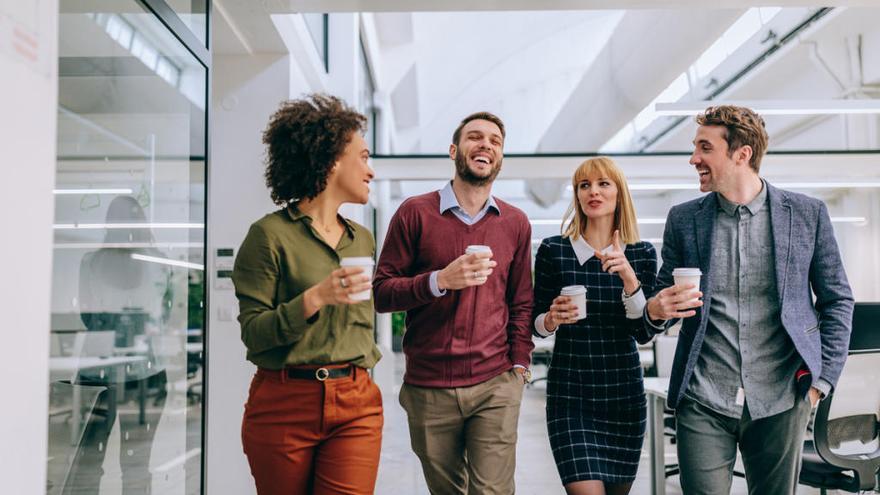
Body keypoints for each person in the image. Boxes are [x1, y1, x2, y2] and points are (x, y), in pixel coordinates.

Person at [644, 105, 854, 494]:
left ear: (742, 154)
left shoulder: (807, 215)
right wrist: (656, 311)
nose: (694, 159)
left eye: (705, 148)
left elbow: (837, 301)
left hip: (782, 397)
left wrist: (821, 383)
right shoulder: (684, 220)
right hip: (704, 396)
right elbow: (664, 300)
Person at [373, 111, 534, 495]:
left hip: (495, 382)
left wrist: (519, 365)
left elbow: (522, 302)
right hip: (429, 386)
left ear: (500, 158)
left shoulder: (515, 222)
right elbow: (381, 293)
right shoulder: (415, 212)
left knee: (492, 491)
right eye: (475, 137)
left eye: (495, 141)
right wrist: (439, 280)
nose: (486, 145)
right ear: (454, 150)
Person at [231, 94, 382, 495]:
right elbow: (255, 334)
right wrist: (314, 298)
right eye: (363, 158)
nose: (371, 171)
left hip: (356, 400)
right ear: (332, 160)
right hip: (284, 403)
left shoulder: (361, 239)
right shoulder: (268, 236)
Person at [532, 157, 658, 495]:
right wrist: (550, 319)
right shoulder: (553, 250)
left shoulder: (642, 253)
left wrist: (629, 277)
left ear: (619, 193)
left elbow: (644, 331)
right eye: (584, 185)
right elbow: (534, 323)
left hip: (623, 395)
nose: (593, 192)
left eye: (604, 184)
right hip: (570, 394)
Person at [69, 195, 170, 494]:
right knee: (138, 462)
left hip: (98, 370)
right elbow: (163, 314)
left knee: (88, 459)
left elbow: (87, 315)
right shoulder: (159, 261)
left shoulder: (90, 262)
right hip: (147, 369)